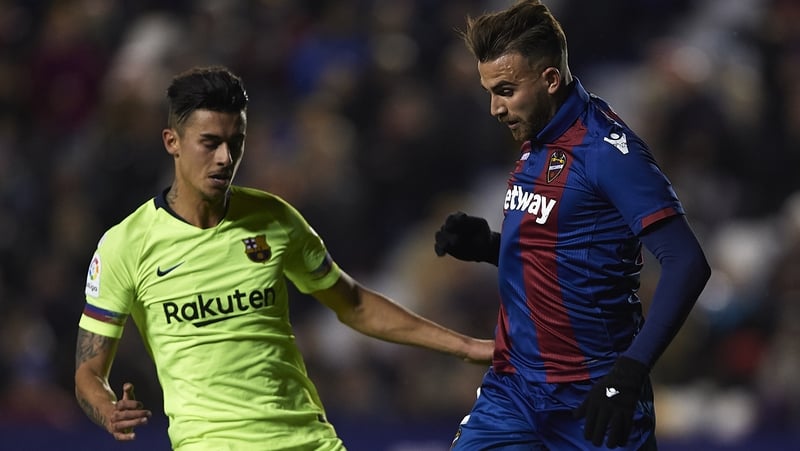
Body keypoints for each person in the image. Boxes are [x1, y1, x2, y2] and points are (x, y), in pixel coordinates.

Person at [74, 65, 494, 451]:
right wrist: (108, 408)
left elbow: (356, 305)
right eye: (209, 143)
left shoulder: (275, 219)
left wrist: (466, 346)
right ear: (173, 142)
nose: (224, 158)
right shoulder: (125, 245)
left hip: (310, 442)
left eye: (234, 142)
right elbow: (89, 372)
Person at [433, 1, 711, 450]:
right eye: (489, 91)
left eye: (505, 90)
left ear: (549, 79)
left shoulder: (607, 152)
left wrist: (631, 370)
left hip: (595, 394)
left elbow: (687, 262)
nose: (494, 108)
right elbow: (566, 244)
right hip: (513, 389)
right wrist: (488, 245)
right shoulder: (535, 136)